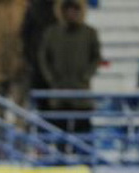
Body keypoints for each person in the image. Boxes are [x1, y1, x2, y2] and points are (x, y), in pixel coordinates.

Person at [38, 0, 101, 141]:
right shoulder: (52, 33)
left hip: (81, 93)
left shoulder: (89, 33)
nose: (71, 13)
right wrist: (52, 78)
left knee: (84, 134)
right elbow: (43, 58)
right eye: (68, 9)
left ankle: (85, 162)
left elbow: (96, 57)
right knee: (59, 134)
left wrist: (85, 76)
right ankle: (60, 161)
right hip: (59, 93)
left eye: (75, 9)